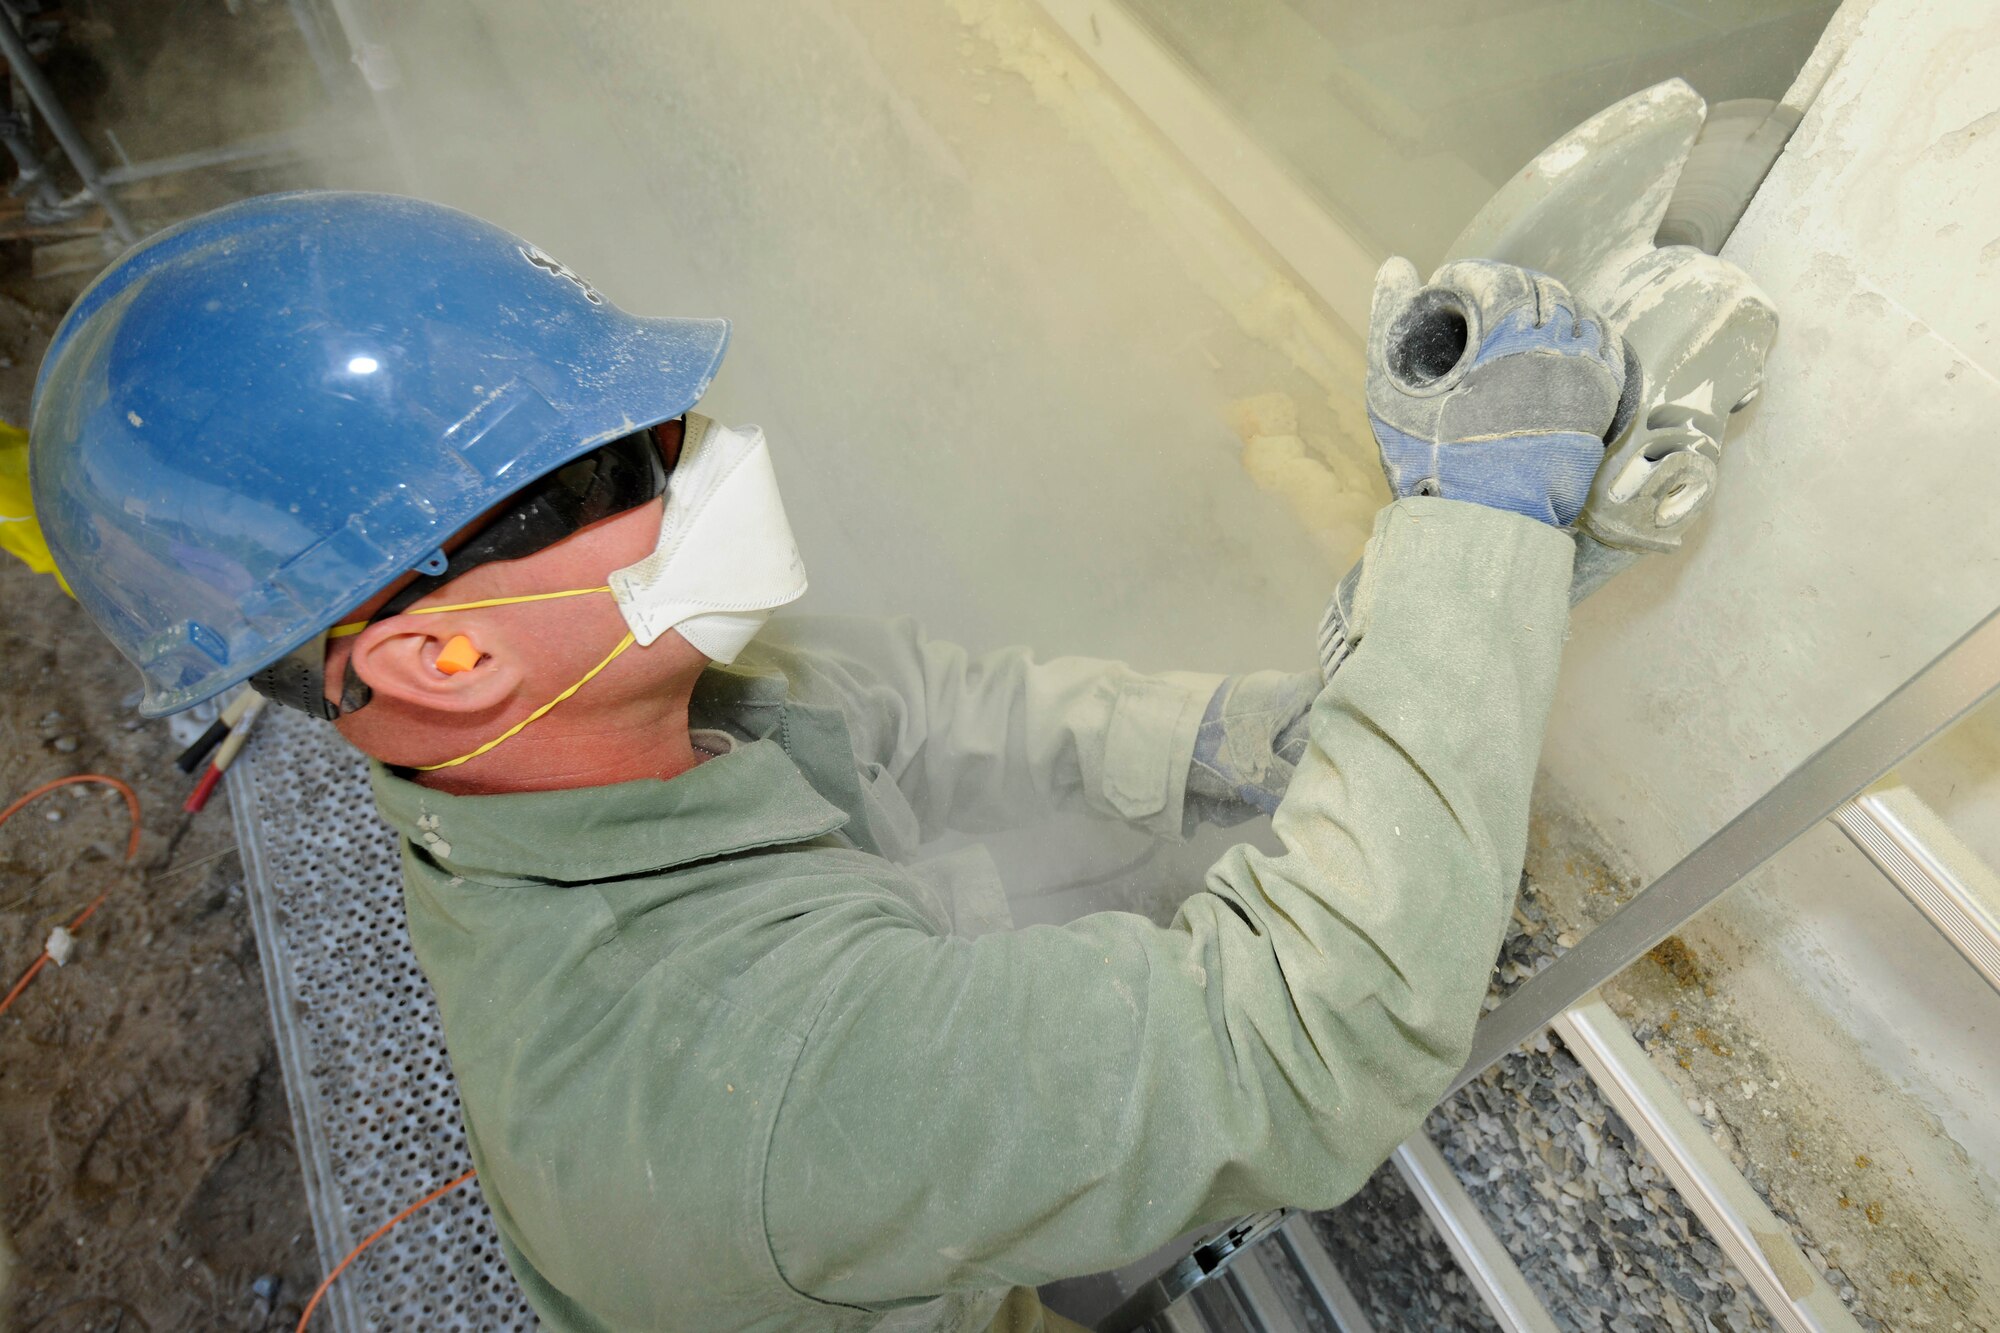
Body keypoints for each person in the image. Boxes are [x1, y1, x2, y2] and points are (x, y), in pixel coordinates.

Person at [33, 192, 1627, 1332]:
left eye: (656, 411)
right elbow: (1310, 1040)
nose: (698, 453)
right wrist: (1482, 528)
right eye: (612, 464)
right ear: (435, 657)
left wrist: (1248, 739)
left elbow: (927, 706)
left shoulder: (590, 708)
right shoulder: (757, 1083)